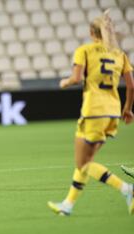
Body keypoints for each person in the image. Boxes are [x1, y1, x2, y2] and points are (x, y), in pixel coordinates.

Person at [48, 10, 134, 216]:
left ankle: (127, 190)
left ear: (90, 32)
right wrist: (128, 109)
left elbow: (76, 78)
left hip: (94, 111)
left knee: (83, 163)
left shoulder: (85, 50)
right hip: (113, 113)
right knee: (86, 161)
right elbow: (131, 86)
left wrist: (65, 82)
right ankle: (67, 206)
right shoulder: (119, 54)